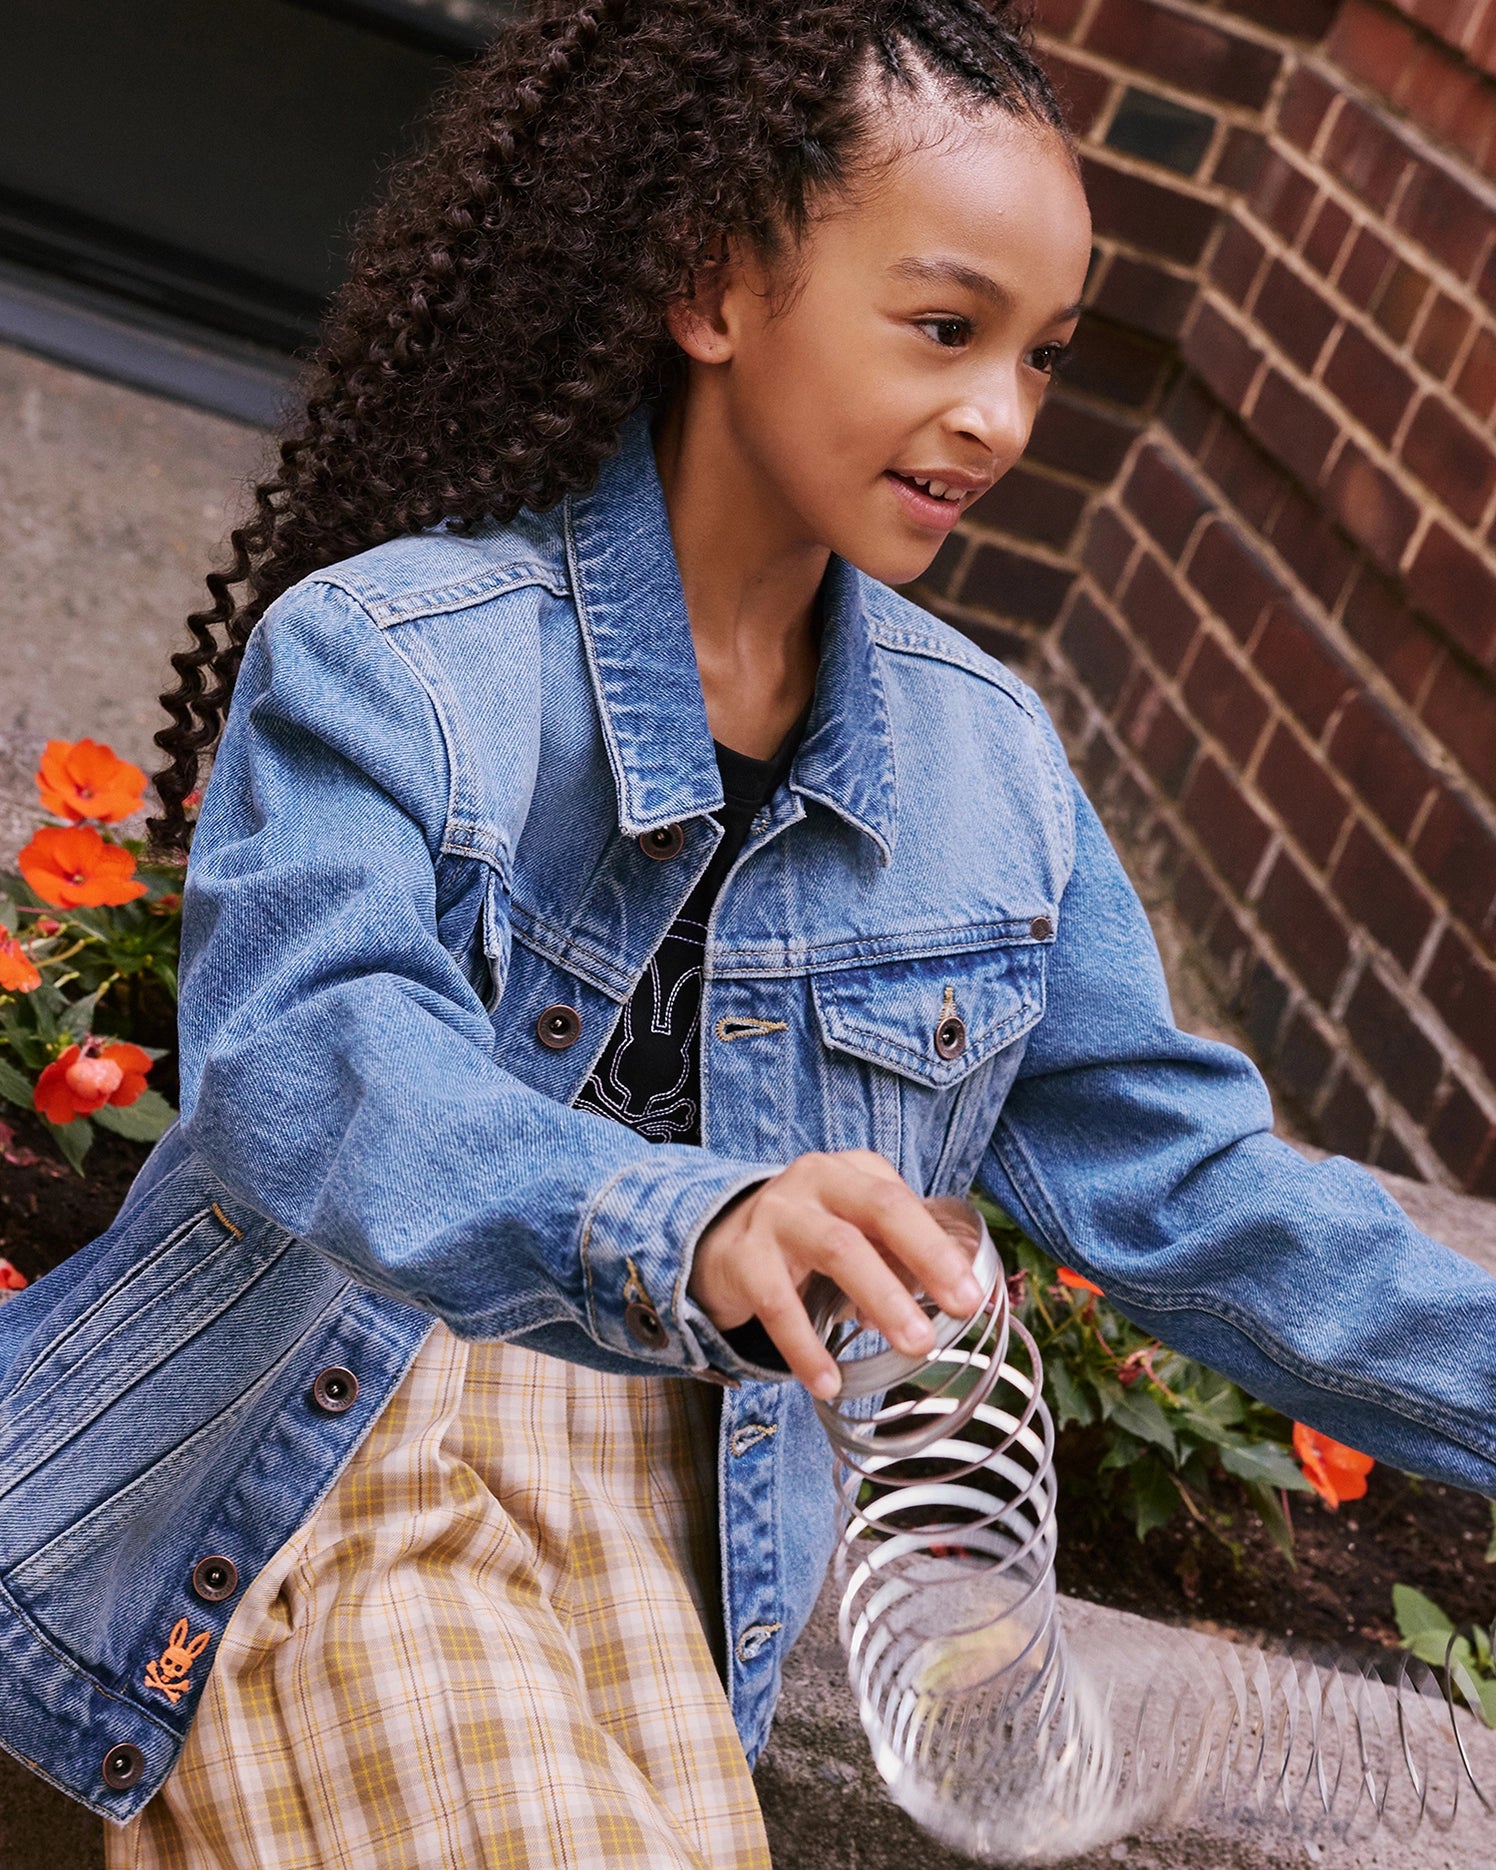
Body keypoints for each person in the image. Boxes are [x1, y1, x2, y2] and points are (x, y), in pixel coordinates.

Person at [2, 1, 1494, 1864]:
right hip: (315, 1465)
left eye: (1041, 357)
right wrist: (683, 1213)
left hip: (658, 1535)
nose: (1001, 416)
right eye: (944, 328)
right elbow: (309, 1062)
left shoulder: (989, 777)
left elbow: (1200, 1190)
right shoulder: (394, 663)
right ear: (713, 284)